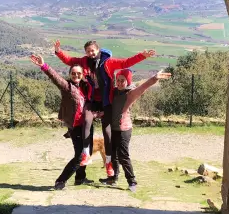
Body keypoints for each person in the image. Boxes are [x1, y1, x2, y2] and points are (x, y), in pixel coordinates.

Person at [54, 39, 156, 178]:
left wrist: (142, 56)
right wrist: (58, 52)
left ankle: (108, 162)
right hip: (91, 100)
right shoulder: (84, 61)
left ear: (98, 50)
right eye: (88, 51)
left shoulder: (108, 62)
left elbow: (126, 63)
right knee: (86, 122)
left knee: (107, 132)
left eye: (92, 50)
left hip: (106, 101)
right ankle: (85, 154)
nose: (90, 53)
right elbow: (69, 60)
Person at [29, 54, 94, 190]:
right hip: (75, 127)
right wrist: (44, 66)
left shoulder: (85, 86)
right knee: (80, 156)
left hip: (87, 125)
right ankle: (61, 181)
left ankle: (80, 178)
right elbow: (55, 78)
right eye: (73, 73)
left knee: (87, 152)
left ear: (82, 74)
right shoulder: (67, 86)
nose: (76, 75)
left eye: (78, 73)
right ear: (70, 74)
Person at [101, 68, 172, 191]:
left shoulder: (130, 94)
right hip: (113, 128)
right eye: (118, 80)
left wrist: (155, 78)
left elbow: (143, 87)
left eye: (122, 80)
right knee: (113, 155)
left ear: (127, 81)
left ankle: (132, 182)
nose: (120, 83)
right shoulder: (114, 92)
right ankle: (113, 178)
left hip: (124, 129)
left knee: (123, 156)